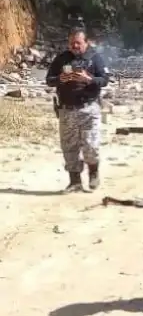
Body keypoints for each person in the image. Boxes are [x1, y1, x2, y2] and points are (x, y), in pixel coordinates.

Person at [44, 27, 110, 192]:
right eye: (72, 43)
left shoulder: (95, 58)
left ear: (86, 43)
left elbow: (105, 79)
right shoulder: (61, 59)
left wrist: (90, 79)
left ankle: (94, 174)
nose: (75, 46)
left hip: (89, 109)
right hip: (66, 110)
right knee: (69, 148)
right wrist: (60, 79)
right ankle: (75, 182)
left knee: (91, 146)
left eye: (78, 43)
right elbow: (49, 80)